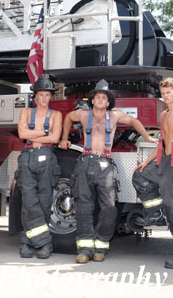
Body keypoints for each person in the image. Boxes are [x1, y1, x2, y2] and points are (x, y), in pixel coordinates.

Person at [60, 79, 157, 263]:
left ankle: (101, 244)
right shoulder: (82, 114)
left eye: (104, 97)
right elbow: (67, 118)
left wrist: (147, 137)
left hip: (105, 164)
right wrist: (64, 138)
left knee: (109, 208)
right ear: (92, 99)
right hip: (85, 162)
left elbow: (134, 121)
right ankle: (84, 249)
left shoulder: (114, 116)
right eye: (97, 97)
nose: (100, 100)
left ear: (108, 101)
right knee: (83, 208)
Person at [133, 77, 173, 269]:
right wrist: (147, 161)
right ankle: (155, 214)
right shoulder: (164, 115)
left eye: (169, 92)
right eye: (163, 93)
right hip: (163, 163)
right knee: (140, 176)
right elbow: (163, 142)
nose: (166, 96)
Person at [15, 75, 62, 259]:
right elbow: (21, 133)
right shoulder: (26, 112)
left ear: (51, 97)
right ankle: (39, 243)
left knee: (44, 201)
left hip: (47, 157)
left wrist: (32, 134)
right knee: (28, 201)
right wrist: (44, 131)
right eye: (40, 95)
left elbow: (54, 139)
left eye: (47, 95)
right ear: (35, 96)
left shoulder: (56, 115)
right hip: (27, 156)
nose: (43, 98)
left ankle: (32, 242)